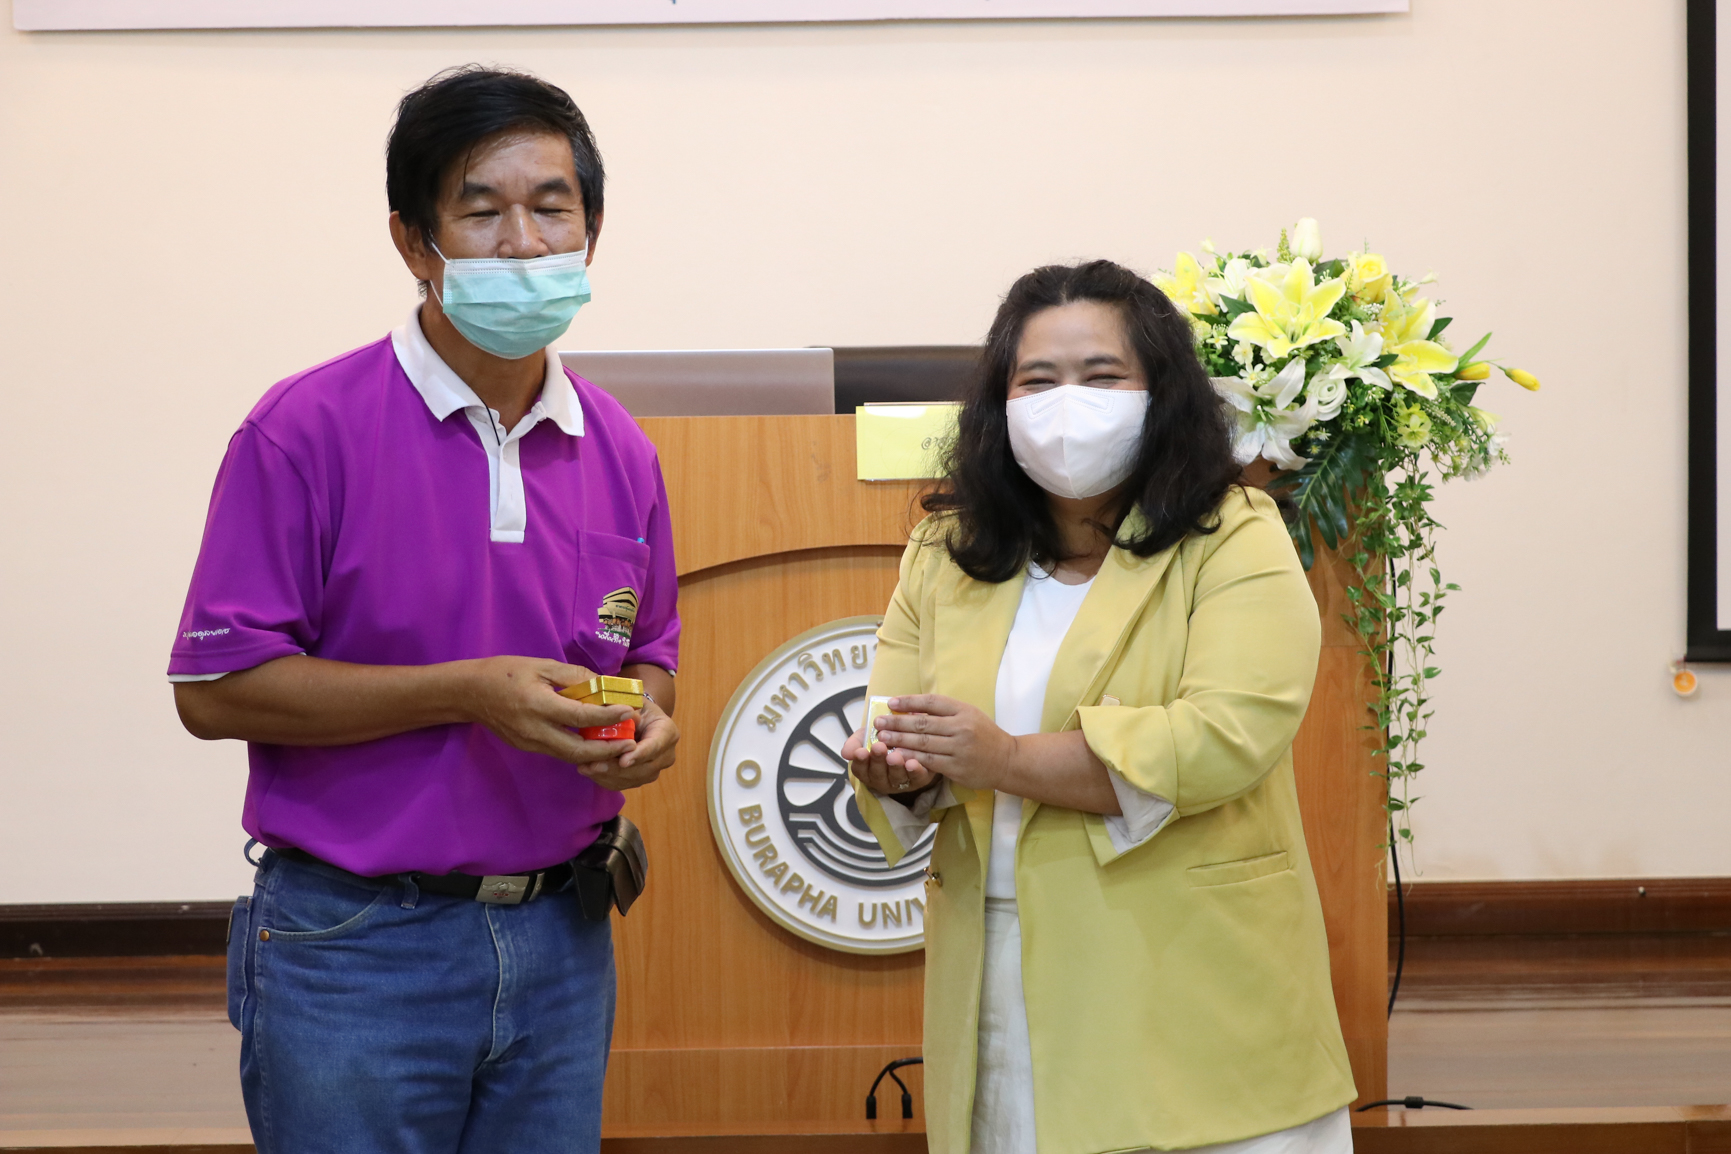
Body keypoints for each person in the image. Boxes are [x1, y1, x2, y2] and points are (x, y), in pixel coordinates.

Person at [167, 66, 680, 1154]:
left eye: (553, 209)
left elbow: (646, 653)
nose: (524, 243)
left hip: (563, 940)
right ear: (414, 241)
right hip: (356, 943)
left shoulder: (621, 449)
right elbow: (214, 692)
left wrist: (647, 722)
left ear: (592, 232)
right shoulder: (303, 430)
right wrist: (466, 692)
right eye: (481, 211)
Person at [846, 261, 1355, 1154]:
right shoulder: (945, 550)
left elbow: (1223, 738)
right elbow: (895, 724)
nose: (1066, 404)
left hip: (1188, 979)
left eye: (1101, 376)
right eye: (1037, 380)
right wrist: (900, 773)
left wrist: (1003, 759)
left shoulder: (1234, 534)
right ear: (998, 404)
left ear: (1161, 394)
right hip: (997, 973)